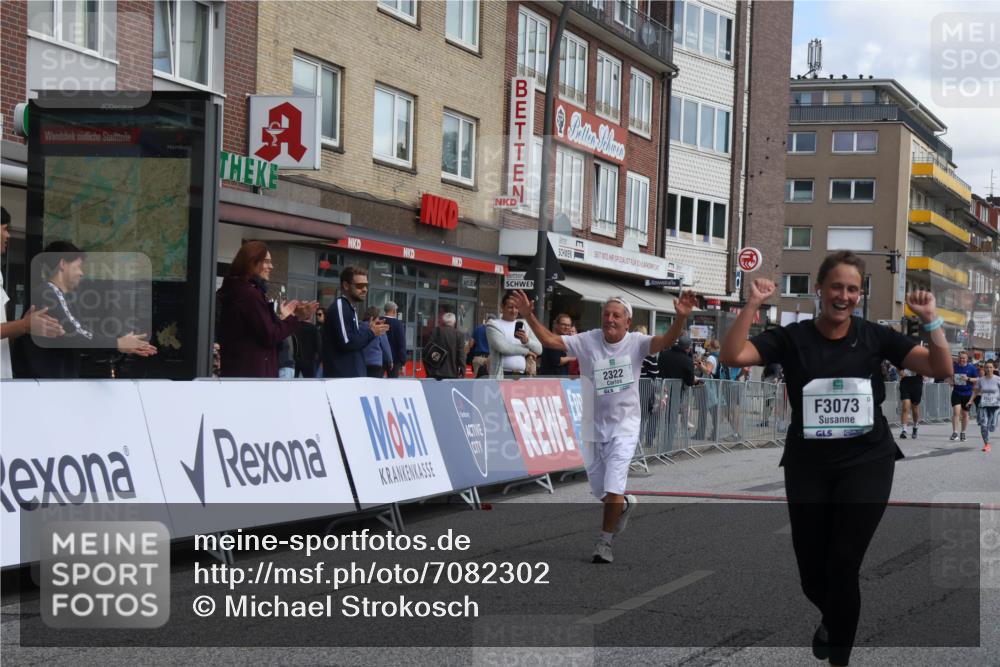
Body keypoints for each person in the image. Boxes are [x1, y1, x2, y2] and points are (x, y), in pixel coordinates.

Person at [720, 251, 951, 667]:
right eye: (836, 287)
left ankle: (839, 657)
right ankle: (832, 619)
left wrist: (931, 320)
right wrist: (751, 305)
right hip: (808, 464)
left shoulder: (874, 337)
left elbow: (940, 368)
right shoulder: (792, 337)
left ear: (860, 295)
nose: (843, 296)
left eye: (852, 289)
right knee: (812, 574)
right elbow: (733, 357)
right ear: (820, 290)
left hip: (867, 461)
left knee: (843, 564)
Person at [511, 288, 699, 565]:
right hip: (593, 426)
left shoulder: (637, 342)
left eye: (616, 315)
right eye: (606, 314)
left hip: (625, 425)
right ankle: (622, 506)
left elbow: (665, 340)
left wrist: (680, 319)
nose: (609, 319)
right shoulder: (588, 340)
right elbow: (551, 340)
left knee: (614, 484)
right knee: (601, 490)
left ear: (627, 322)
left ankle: (605, 541)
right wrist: (528, 316)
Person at [19, 241, 159, 378]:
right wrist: (118, 343)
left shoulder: (59, 296)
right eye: (79, 266)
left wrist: (120, 341)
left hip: (52, 384)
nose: (81, 273)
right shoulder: (48, 294)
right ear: (63, 264)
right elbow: (76, 334)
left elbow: (83, 332)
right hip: (43, 386)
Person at [217, 241, 316, 378]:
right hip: (254, 377)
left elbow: (260, 330)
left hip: (240, 373)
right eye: (266, 262)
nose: (271, 266)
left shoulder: (237, 291)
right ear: (252, 263)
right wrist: (295, 317)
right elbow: (270, 335)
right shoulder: (250, 295)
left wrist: (284, 318)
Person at [1, 208, 65, 378]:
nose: (8, 236)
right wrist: (23, 325)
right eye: (4, 228)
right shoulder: (46, 294)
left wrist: (24, 325)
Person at [322, 266, 388, 378]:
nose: (365, 289)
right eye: (359, 286)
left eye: (366, 285)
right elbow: (348, 342)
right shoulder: (341, 306)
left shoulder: (349, 308)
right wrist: (371, 333)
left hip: (352, 377)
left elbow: (353, 340)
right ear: (346, 285)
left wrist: (368, 331)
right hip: (342, 378)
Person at [485, 291, 542, 379]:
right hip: (502, 375)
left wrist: (527, 341)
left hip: (522, 375)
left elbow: (539, 349)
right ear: (502, 307)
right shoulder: (493, 324)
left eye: (516, 307)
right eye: (510, 307)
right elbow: (503, 348)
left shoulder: (525, 325)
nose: (514, 311)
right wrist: (526, 351)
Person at [423, 312, 466, 380]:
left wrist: (428, 371)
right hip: (451, 373)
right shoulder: (459, 335)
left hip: (435, 373)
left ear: (444, 321)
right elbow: (461, 355)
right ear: (454, 322)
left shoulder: (436, 331)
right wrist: (463, 372)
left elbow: (427, 351)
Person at [967, 360, 998, 453]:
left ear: (994, 368)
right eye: (987, 367)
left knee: (992, 426)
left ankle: (992, 425)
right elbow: (976, 391)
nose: (988, 369)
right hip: (983, 404)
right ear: (984, 368)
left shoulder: (998, 379)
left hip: (995, 406)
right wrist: (970, 401)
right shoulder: (981, 380)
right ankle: (987, 444)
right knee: (983, 424)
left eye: (990, 367)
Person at [949, 350, 978, 442]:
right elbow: (949, 376)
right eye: (961, 358)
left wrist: (968, 378)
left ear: (967, 359)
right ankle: (955, 432)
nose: (962, 359)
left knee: (965, 414)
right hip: (956, 392)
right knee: (956, 412)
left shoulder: (972, 368)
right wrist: (951, 381)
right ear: (958, 358)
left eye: (964, 358)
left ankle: (963, 432)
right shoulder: (954, 367)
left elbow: (977, 379)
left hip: (967, 394)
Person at [360, 306, 392, 378]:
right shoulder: (378, 328)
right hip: (375, 362)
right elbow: (385, 346)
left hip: (362, 362)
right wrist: (390, 361)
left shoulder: (359, 327)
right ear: (374, 317)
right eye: (378, 317)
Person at [294, 312, 322, 378]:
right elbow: (319, 346)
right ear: (310, 316)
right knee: (310, 384)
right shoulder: (314, 329)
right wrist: (321, 360)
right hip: (309, 361)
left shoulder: (294, 327)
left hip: (295, 360)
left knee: (293, 383)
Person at [898, 366, 923, 439]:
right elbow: (896, 363)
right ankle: (904, 430)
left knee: (915, 408)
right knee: (905, 406)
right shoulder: (902, 355)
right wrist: (899, 370)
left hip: (916, 383)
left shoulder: (919, 356)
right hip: (905, 382)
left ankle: (915, 426)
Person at [383, 301, 407, 378]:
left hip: (380, 358)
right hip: (394, 359)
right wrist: (403, 362)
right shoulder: (398, 324)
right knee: (392, 383)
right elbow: (401, 344)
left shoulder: (378, 321)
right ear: (394, 311)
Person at [468, 314, 493, 378]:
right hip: (490, 359)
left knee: (477, 380)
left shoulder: (478, 329)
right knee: (490, 380)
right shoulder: (494, 331)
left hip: (478, 358)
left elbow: (470, 344)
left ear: (486, 320)